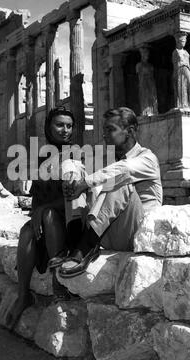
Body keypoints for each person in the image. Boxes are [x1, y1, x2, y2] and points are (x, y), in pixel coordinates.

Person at [59, 107, 163, 278]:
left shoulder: (147, 158)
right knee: (73, 171)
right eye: (104, 130)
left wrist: (84, 183)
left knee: (119, 179)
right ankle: (75, 240)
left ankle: (83, 248)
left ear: (129, 131)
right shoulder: (110, 160)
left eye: (111, 129)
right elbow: (74, 163)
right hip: (107, 233)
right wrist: (71, 178)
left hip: (136, 234)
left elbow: (123, 169)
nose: (105, 135)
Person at [2, 107, 82, 330]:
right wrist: (36, 213)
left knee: (47, 214)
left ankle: (59, 283)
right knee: (27, 231)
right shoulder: (40, 156)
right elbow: (38, 195)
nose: (65, 130)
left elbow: (75, 196)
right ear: (48, 127)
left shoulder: (77, 154)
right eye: (60, 125)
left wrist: (42, 210)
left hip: (71, 222)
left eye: (69, 126)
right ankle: (23, 294)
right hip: (48, 220)